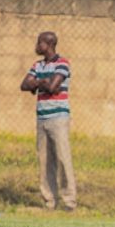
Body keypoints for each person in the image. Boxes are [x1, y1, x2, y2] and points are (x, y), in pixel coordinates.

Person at [20, 32, 77, 211]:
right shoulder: (38, 65)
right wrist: (43, 81)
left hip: (59, 118)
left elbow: (53, 87)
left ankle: (69, 201)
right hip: (42, 118)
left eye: (40, 43)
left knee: (62, 158)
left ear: (49, 44)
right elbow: (23, 85)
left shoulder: (63, 63)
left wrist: (37, 83)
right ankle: (49, 201)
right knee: (44, 161)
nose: (37, 46)